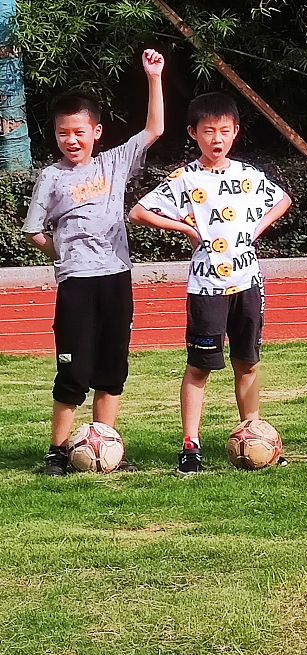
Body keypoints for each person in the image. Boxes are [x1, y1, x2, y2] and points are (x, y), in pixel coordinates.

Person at [129, 92, 292, 475]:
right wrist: (183, 226)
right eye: (207, 132)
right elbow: (138, 212)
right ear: (193, 134)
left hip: (248, 281)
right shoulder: (185, 178)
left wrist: (257, 228)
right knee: (200, 366)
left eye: (223, 131)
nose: (216, 139)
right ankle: (191, 444)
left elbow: (282, 200)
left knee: (247, 363)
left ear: (235, 131)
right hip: (206, 286)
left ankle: (255, 434)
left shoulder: (249, 175)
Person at [23, 49, 165, 476]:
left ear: (96, 132)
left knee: (112, 365)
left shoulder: (114, 162)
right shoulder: (51, 177)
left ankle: (104, 444)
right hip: (77, 284)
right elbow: (34, 231)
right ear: (56, 135)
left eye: (79, 132)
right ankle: (58, 450)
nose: (71, 140)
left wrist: (153, 77)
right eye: (64, 133)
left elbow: (155, 128)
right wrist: (63, 254)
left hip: (115, 278)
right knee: (73, 367)